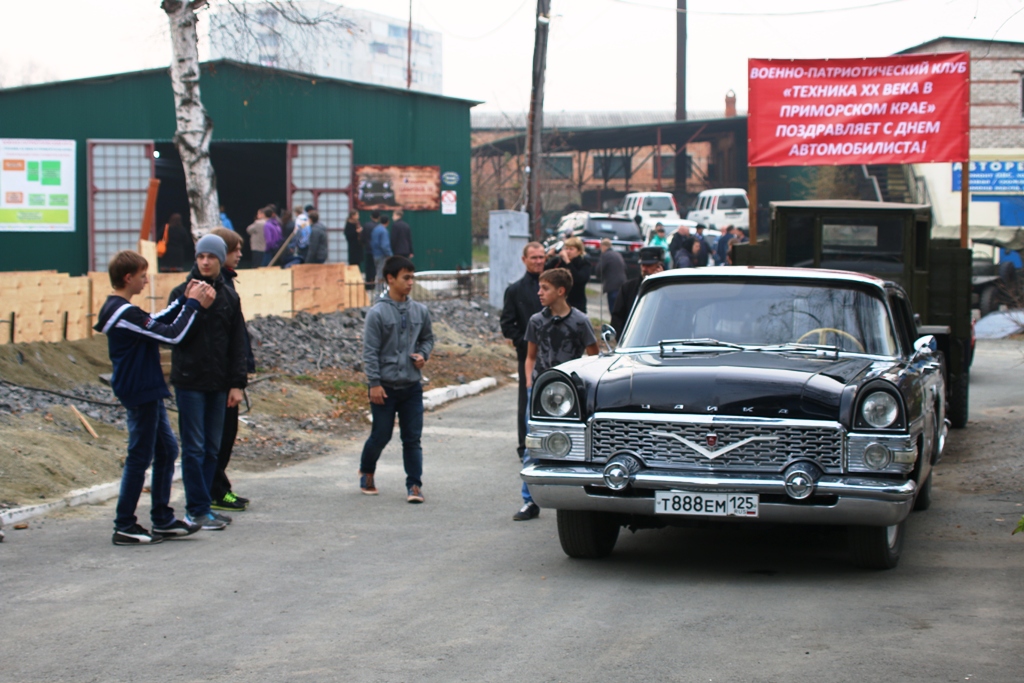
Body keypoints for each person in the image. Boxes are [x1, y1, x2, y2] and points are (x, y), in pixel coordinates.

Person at [95, 250, 215, 545]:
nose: (145, 280)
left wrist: (182, 300)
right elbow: (172, 335)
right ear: (128, 278)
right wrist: (193, 305)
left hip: (146, 388)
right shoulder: (123, 312)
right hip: (141, 390)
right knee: (140, 456)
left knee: (166, 451)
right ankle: (125, 523)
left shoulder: (124, 310)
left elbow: (156, 321)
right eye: (141, 275)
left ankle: (162, 518)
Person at [168, 234, 249, 531]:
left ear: (219, 259)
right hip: (190, 383)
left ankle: (205, 507)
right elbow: (176, 336)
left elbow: (238, 343)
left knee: (212, 448)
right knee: (194, 448)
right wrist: (195, 306)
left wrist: (237, 383)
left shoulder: (229, 295)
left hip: (218, 385)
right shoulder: (181, 293)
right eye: (201, 256)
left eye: (211, 257)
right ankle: (196, 510)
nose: (205, 261)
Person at [514, 267, 599, 521]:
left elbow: (594, 356)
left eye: (545, 288)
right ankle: (529, 501)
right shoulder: (536, 321)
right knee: (533, 446)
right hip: (541, 393)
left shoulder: (580, 321)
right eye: (539, 287)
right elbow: (530, 356)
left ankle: (574, 500)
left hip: (569, 395)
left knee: (570, 445)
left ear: (560, 291)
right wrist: (530, 382)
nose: (539, 293)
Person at [358, 255, 435, 503]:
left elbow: (427, 339)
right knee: (381, 435)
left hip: (411, 386)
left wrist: (423, 355)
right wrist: (374, 384)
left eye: (412, 277)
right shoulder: (377, 314)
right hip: (385, 387)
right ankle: (367, 470)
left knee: (412, 438)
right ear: (390, 279)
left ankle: (414, 485)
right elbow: (370, 352)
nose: (410, 282)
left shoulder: (420, 311)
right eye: (406, 277)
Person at [208, 228, 256, 513]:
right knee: (220, 436)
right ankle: (215, 491)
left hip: (229, 375)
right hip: (220, 378)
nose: (240, 254)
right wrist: (232, 379)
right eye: (235, 250)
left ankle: (219, 487)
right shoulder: (215, 287)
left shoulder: (228, 283)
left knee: (227, 434)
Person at [500, 241, 546, 462]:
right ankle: (524, 445)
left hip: (557, 354)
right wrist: (525, 343)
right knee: (526, 401)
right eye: (534, 257)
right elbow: (507, 324)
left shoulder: (554, 287)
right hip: (528, 355)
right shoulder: (515, 290)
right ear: (524, 260)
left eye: (541, 257)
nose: (538, 261)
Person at [611, 246, 665, 339]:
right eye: (642, 265)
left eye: (649, 265)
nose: (644, 269)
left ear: (659, 266)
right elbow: (618, 316)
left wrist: (661, 281)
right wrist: (621, 339)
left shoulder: (667, 289)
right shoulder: (628, 288)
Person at [545, 236, 591, 312]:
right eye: (566, 248)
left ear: (579, 251)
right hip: (559, 302)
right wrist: (548, 256)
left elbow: (580, 279)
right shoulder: (559, 261)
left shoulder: (584, 263)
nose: (568, 251)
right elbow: (544, 271)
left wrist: (568, 262)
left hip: (576, 302)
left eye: (571, 249)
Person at [596, 237, 627, 313]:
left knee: (613, 309)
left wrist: (598, 276)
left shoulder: (605, 255)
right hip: (623, 284)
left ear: (603, 246)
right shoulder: (618, 254)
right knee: (621, 308)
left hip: (612, 286)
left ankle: (614, 324)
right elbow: (625, 268)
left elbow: (599, 270)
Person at [371, 214, 394, 295]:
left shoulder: (375, 229)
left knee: (378, 271)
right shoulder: (384, 231)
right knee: (381, 272)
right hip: (382, 255)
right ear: (387, 222)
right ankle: (379, 291)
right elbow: (384, 245)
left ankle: (379, 289)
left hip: (375, 254)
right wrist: (389, 254)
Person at [361, 211, 380, 290]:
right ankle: (374, 284)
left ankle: (368, 284)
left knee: (368, 267)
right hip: (377, 251)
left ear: (371, 216)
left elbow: (362, 237)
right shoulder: (379, 227)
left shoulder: (366, 225)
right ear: (378, 218)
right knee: (376, 267)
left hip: (368, 249)